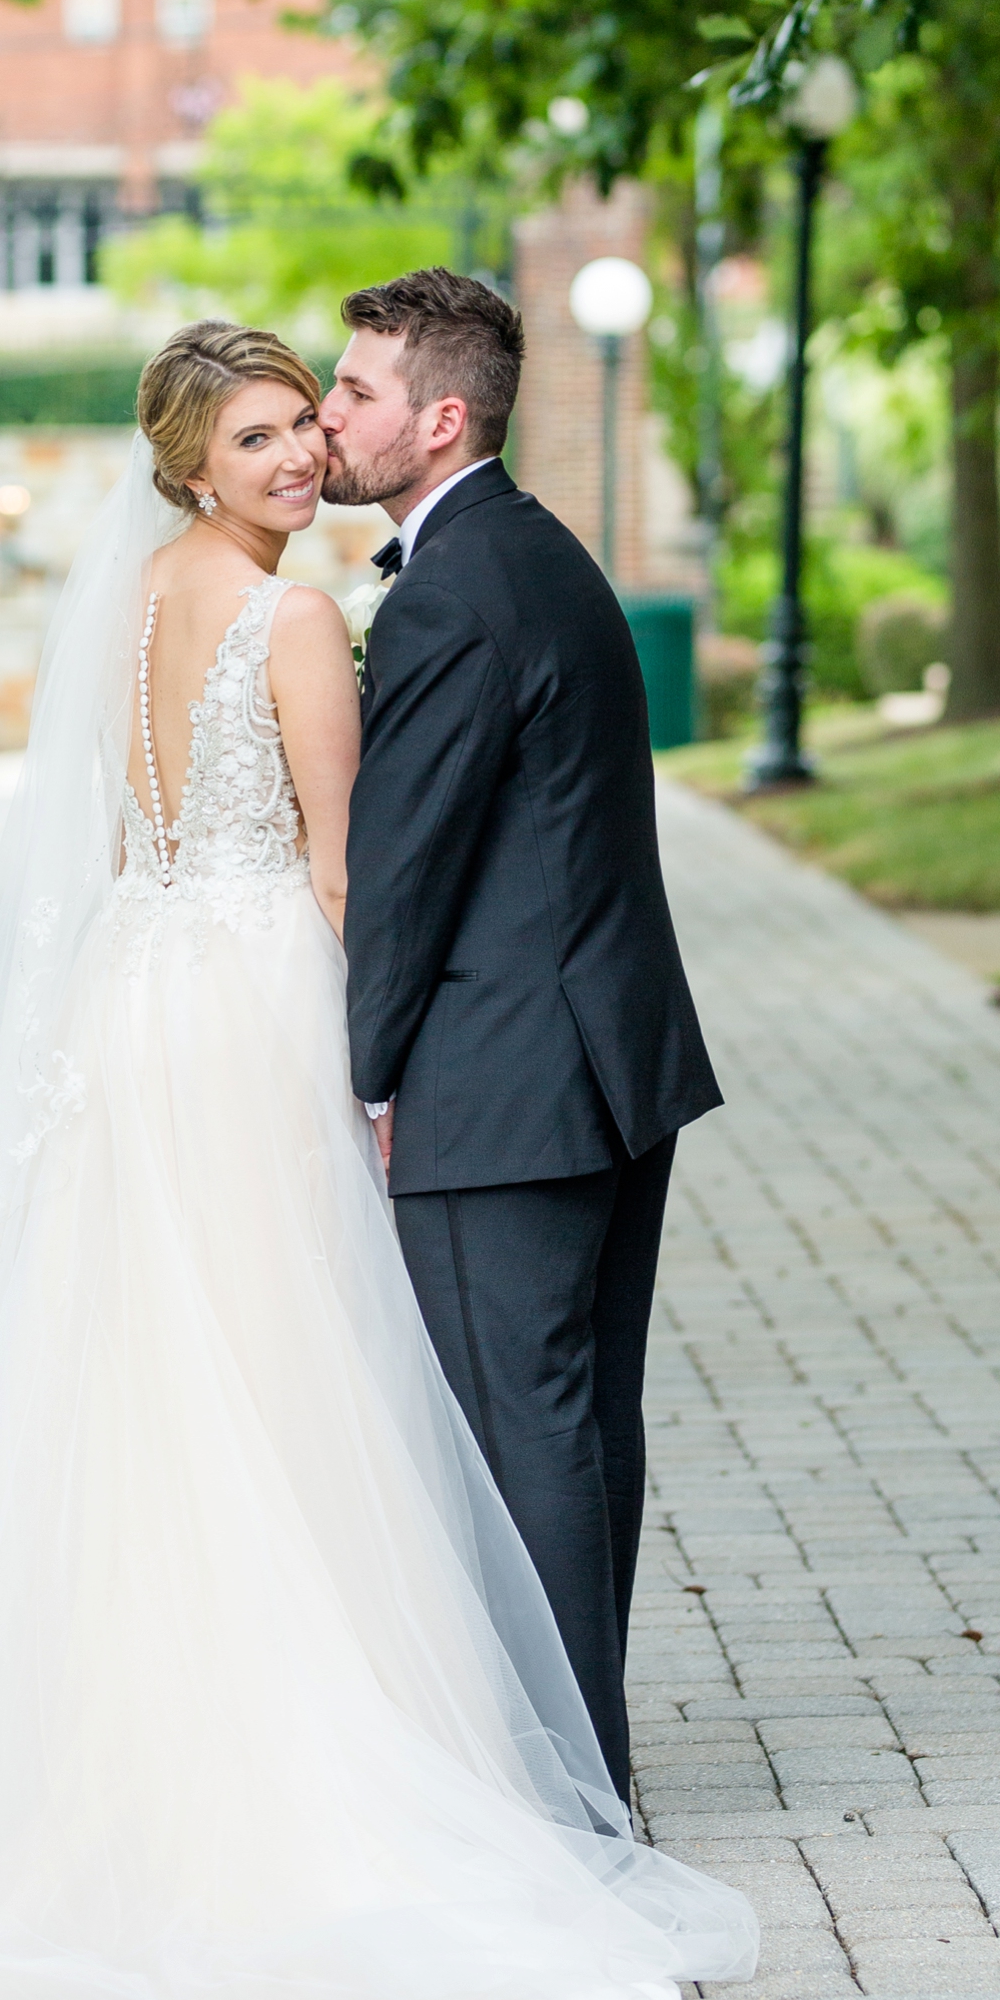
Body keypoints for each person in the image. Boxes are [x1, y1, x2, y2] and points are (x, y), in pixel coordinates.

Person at [0, 319, 755, 2000]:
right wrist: (370, 1068)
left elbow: (131, 827)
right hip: (251, 1014)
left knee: (147, 1377)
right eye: (267, 442)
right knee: (299, 1378)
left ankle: (123, 1747)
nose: (303, 459)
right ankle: (346, 1741)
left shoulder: (132, 603)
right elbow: (350, 867)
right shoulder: (298, 617)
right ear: (190, 465)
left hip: (136, 1007)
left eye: (314, 424)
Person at [322, 270, 720, 1798]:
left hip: (505, 1087)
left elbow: (404, 870)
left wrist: (359, 1072)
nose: (333, 415)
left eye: (356, 392)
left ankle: (565, 1784)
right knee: (583, 1418)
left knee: (521, 1429)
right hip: (609, 1066)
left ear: (440, 415)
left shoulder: (449, 595)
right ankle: (583, 1756)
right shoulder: (535, 552)